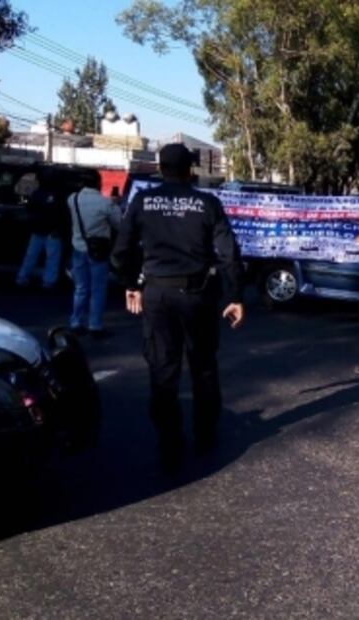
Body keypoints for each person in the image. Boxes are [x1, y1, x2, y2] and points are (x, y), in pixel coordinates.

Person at [111, 143, 245, 468]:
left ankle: (169, 443)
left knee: (163, 370)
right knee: (203, 367)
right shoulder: (207, 202)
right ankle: (205, 436)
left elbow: (122, 250)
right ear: (190, 170)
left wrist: (131, 284)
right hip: (198, 295)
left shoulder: (143, 201)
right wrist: (235, 296)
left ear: (160, 168)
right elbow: (229, 253)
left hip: (157, 295)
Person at [68, 177, 122, 337]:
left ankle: (75, 322)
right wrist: (116, 204)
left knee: (80, 288)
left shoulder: (72, 199)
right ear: (99, 183)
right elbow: (119, 224)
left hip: (78, 248)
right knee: (98, 289)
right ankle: (95, 325)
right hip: (99, 251)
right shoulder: (106, 203)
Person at [16, 171, 65, 289]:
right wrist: (58, 229)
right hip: (51, 231)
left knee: (31, 255)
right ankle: (48, 281)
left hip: (38, 229)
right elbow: (60, 214)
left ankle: (22, 277)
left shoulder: (36, 194)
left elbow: (27, 207)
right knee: (52, 258)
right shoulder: (57, 194)